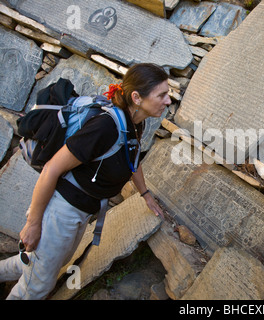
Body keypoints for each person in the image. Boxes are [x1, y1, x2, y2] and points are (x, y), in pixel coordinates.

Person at [0, 63, 172, 299]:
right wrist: (33, 224)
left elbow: (131, 157)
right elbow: (51, 169)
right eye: (162, 95)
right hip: (61, 212)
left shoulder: (134, 123)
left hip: (80, 212)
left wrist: (145, 194)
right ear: (137, 97)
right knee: (37, 287)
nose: (168, 101)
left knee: (35, 265)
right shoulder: (105, 126)